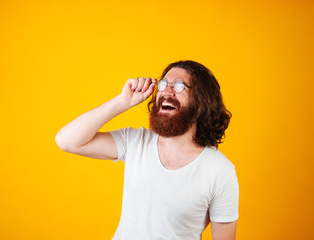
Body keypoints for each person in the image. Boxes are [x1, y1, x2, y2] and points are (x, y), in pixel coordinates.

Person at [55, 60, 239, 240]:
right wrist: (123, 101)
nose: (166, 91)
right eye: (164, 84)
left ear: (201, 102)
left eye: (178, 86)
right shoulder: (135, 142)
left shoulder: (220, 171)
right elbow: (67, 141)